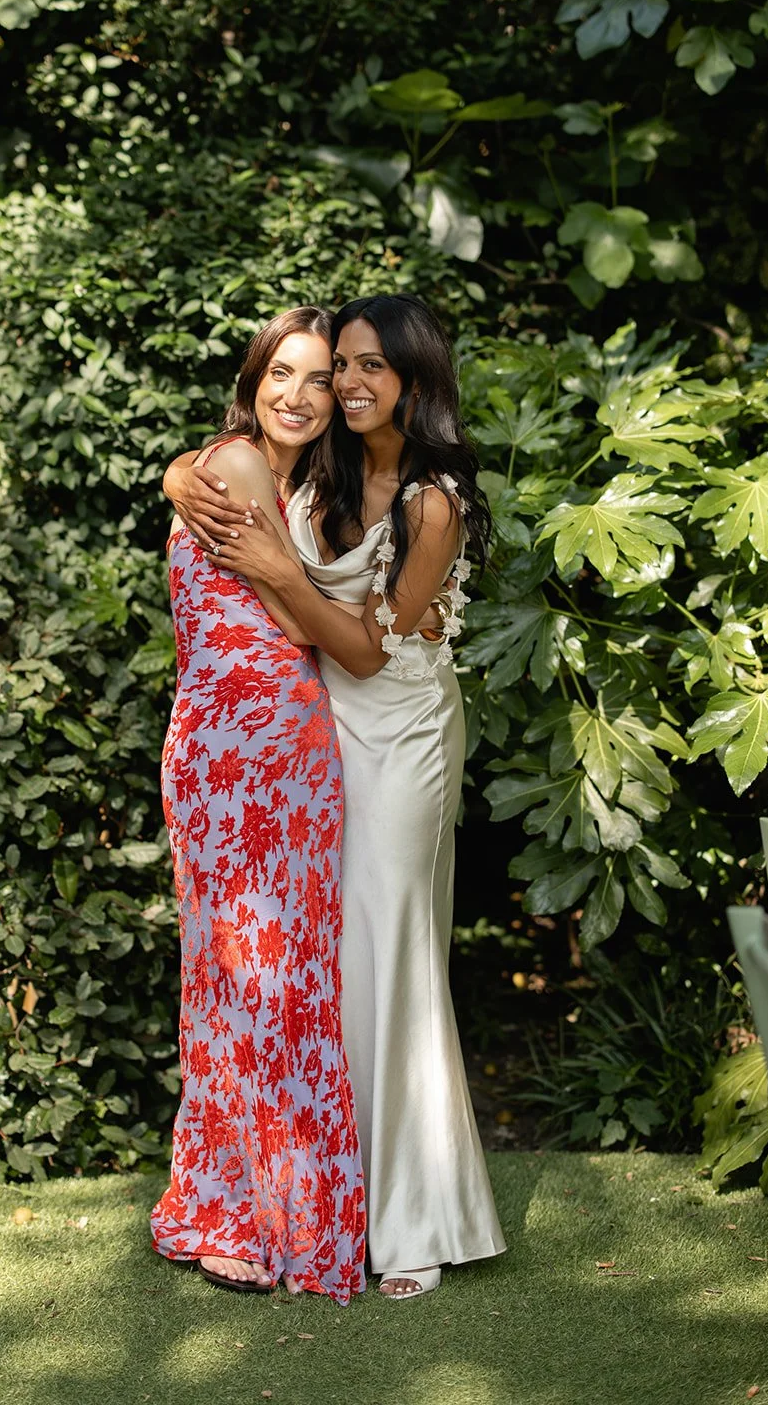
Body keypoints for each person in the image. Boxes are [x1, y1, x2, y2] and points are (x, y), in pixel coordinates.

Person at [173, 294, 505, 1299]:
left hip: (398, 732)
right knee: (330, 960)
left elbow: (365, 648)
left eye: (368, 368)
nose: (348, 386)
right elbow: (218, 462)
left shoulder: (433, 500)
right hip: (319, 735)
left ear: (415, 379)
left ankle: (415, 1218)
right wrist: (179, 473)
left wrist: (277, 565)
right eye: (338, 368)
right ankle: (333, 1199)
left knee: (394, 948)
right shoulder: (329, 466)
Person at [149, 307, 366, 1305]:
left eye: (318, 380)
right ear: (254, 378)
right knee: (235, 984)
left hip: (290, 756)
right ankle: (229, 1209)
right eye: (282, 372)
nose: (298, 394)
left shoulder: (298, 488)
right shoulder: (232, 464)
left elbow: (295, 600)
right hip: (230, 755)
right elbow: (292, 613)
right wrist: (309, 596)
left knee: (280, 982)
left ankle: (268, 1207)